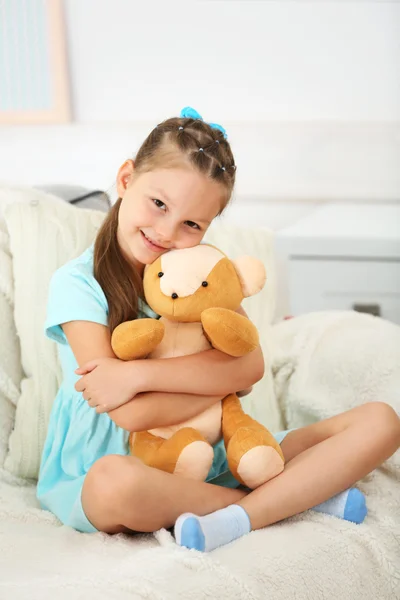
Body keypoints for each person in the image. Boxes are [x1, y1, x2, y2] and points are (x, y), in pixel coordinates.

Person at [37, 107, 400, 552]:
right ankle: (279, 504)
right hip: (130, 463)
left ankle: (248, 510)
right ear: (127, 179)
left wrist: (137, 376)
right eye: (159, 204)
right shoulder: (78, 284)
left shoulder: (200, 272)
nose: (167, 231)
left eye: (192, 224)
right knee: (112, 484)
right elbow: (130, 414)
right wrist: (219, 375)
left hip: (214, 451)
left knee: (381, 421)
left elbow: (251, 364)